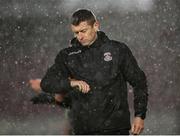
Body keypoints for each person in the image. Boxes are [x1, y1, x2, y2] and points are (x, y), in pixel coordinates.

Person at [40, 9, 148, 135]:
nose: (79, 36)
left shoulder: (117, 50)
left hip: (116, 129)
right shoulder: (67, 56)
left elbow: (139, 81)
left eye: (83, 31)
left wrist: (140, 115)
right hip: (83, 130)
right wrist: (72, 83)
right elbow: (46, 83)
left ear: (96, 25)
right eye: (76, 32)